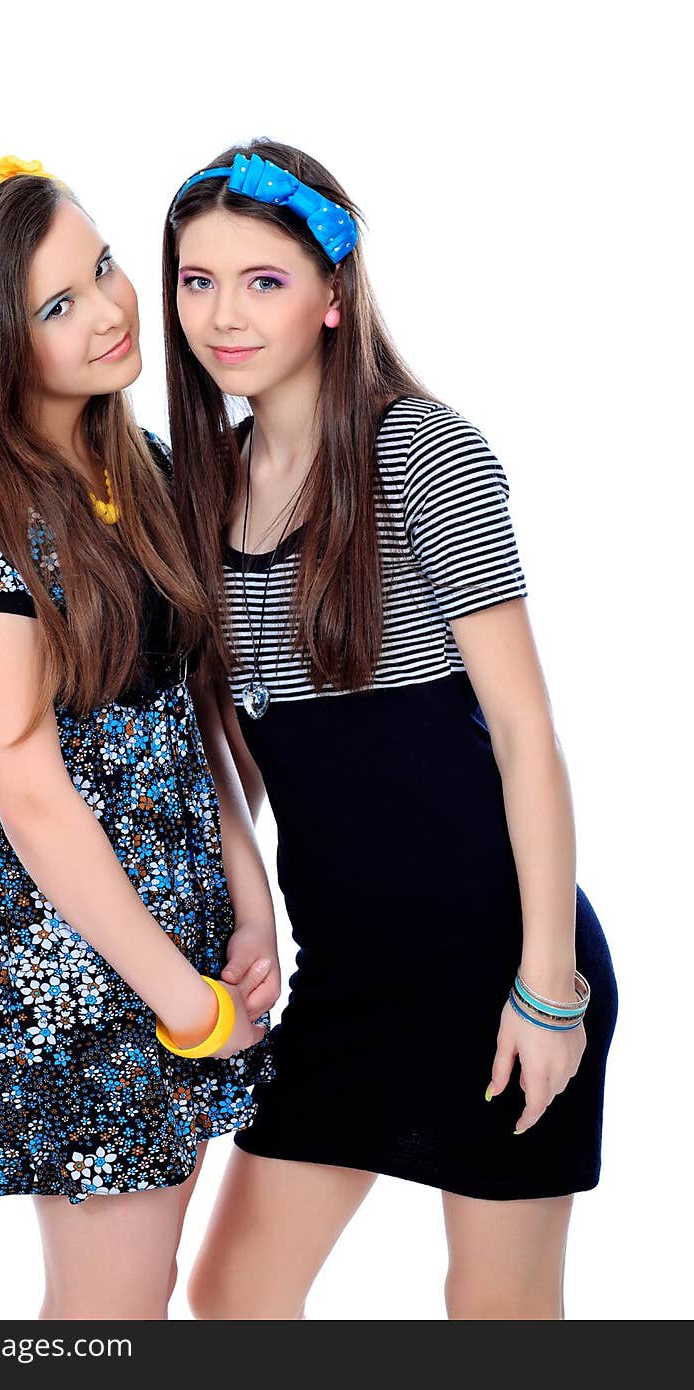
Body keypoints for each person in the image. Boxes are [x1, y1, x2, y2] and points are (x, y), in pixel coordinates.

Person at [160, 138, 619, 1320]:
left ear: (332, 293)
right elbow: (225, 750)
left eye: (262, 279)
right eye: (197, 278)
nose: (224, 312)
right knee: (231, 1300)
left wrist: (548, 986)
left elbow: (526, 733)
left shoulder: (422, 451)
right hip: (349, 977)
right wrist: (247, 900)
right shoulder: (201, 484)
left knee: (497, 1316)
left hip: (497, 966)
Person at [0, 156, 276, 1320]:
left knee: (135, 1291)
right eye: (59, 305)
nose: (110, 307)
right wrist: (176, 994)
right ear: (0, 349)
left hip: (178, 937)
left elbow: (194, 715)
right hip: (76, 965)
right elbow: (26, 782)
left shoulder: (143, 468)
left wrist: (252, 899)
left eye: (101, 265)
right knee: (109, 1315)